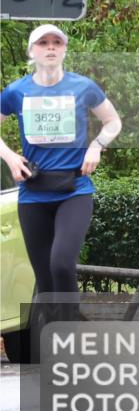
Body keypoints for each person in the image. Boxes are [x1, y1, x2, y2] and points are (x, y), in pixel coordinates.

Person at [1, 24, 122, 327]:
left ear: (65, 49)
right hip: (34, 192)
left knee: (62, 263)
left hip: (74, 190)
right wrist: (10, 156)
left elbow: (113, 122)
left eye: (57, 42)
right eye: (43, 43)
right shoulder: (17, 91)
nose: (51, 47)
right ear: (33, 52)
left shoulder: (83, 86)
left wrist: (96, 146)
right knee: (44, 278)